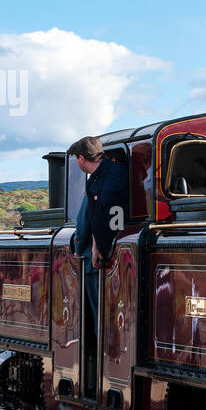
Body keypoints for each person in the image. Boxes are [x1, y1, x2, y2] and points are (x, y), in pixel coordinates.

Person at [70, 135, 131, 337]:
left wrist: (82, 248)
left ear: (81, 159)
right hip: (105, 249)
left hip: (107, 255)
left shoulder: (113, 177)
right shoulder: (97, 180)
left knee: (102, 316)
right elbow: (99, 217)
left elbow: (88, 220)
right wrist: (97, 243)